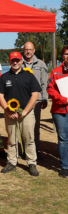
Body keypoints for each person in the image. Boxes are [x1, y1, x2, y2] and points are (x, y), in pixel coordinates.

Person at [0, 52, 41, 176]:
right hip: (10, 113)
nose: (15, 62)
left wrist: (25, 112)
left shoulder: (29, 76)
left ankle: (31, 163)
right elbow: (0, 96)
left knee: (29, 138)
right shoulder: (4, 77)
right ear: (9, 61)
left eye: (17, 60)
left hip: (27, 113)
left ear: (21, 61)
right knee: (11, 139)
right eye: (12, 60)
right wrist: (8, 111)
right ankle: (12, 162)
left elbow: (35, 95)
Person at [22, 42, 49, 160]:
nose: (28, 51)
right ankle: (24, 150)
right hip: (22, 101)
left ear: (34, 51)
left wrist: (44, 99)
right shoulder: (19, 63)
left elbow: (44, 83)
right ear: (23, 50)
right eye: (26, 49)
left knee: (35, 127)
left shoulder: (41, 64)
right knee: (23, 127)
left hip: (36, 101)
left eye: (30, 49)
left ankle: (35, 150)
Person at [47, 46, 68, 178]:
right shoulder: (55, 72)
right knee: (63, 139)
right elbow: (49, 89)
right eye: (66, 54)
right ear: (62, 56)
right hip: (60, 110)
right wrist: (63, 99)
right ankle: (65, 167)